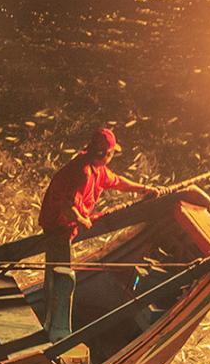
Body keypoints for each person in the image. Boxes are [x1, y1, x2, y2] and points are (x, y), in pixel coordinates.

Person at [36, 126, 158, 341]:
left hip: (67, 226)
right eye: (111, 153)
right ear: (106, 154)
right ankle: (58, 333)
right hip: (59, 228)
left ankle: (49, 309)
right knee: (63, 278)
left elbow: (118, 182)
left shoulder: (96, 169)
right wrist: (82, 220)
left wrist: (143, 189)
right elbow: (67, 207)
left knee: (55, 274)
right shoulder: (81, 172)